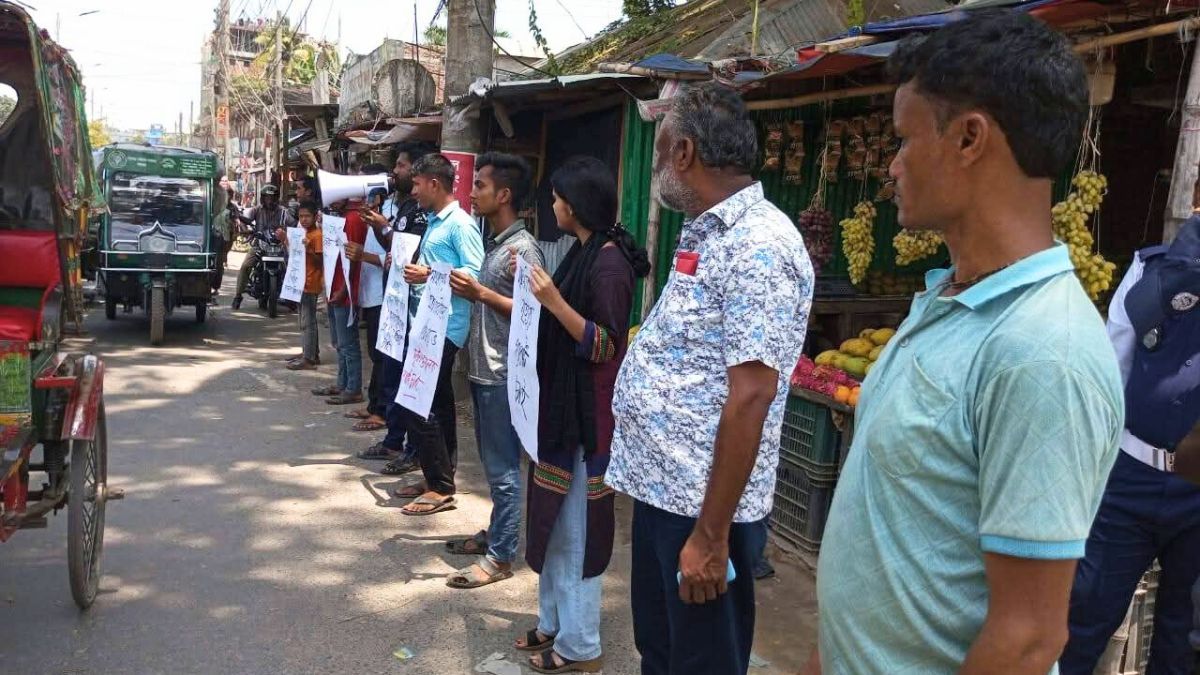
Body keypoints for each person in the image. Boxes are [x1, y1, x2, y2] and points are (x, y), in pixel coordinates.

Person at [808, 13, 1124, 673]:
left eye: (903, 139)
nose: (891, 167)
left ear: (969, 138)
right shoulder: (947, 299)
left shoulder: (1043, 350)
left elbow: (1027, 639)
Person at [605, 82, 813, 675]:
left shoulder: (760, 245)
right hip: (663, 493)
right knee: (662, 651)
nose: (658, 166)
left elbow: (752, 394)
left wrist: (711, 535)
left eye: (661, 148)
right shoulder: (707, 233)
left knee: (704, 663)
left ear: (685, 153)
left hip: (704, 509)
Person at [510, 156, 646, 674]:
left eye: (558, 196)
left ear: (577, 204)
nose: (552, 204)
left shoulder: (608, 264)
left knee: (577, 535)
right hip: (561, 416)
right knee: (553, 522)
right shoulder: (582, 251)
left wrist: (552, 301)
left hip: (587, 423)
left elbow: (604, 346)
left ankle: (581, 645)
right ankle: (552, 622)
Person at [1061, 213, 1200, 675]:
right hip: (1129, 478)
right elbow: (1111, 372)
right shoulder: (1151, 272)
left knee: (1181, 638)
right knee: (1086, 615)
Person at [442, 152, 545, 588]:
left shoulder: (523, 250)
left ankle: (501, 555)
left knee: (504, 470)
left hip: (504, 376)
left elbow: (535, 310)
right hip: (484, 371)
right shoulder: (496, 243)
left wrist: (481, 293)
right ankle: (496, 535)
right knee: (491, 465)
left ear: (503, 195)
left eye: (480, 184)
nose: (472, 191)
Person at [391, 154, 484, 516]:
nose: (412, 191)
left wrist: (427, 274)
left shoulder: (460, 225)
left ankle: (440, 486)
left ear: (434, 183)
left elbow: (474, 275)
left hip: (444, 328)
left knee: (418, 403)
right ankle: (439, 476)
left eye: (416, 184)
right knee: (440, 405)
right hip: (426, 325)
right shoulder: (435, 221)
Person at [357, 144, 432, 472]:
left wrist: (385, 229)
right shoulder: (405, 208)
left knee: (405, 381)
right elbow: (396, 246)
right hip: (395, 304)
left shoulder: (421, 213)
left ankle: (408, 448)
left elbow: (413, 255)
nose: (397, 172)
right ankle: (394, 441)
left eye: (402, 166)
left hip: (409, 310)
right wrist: (381, 227)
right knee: (391, 377)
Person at [344, 164, 392, 433]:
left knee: (381, 354)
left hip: (383, 295)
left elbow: (396, 257)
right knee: (375, 352)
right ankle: (375, 405)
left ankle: (382, 410)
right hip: (371, 292)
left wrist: (364, 256)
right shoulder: (377, 214)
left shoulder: (392, 216)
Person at [310, 195, 368, 406]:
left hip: (344, 291)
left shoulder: (352, 219)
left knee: (347, 342)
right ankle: (343, 383)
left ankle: (352, 387)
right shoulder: (344, 217)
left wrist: (344, 290)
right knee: (339, 342)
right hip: (336, 287)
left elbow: (352, 256)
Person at [232, 184, 295, 309]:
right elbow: (246, 219)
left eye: (272, 197)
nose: (269, 200)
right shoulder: (257, 210)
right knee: (245, 266)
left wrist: (290, 232)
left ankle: (291, 297)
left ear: (277, 198)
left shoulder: (283, 212)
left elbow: (293, 224)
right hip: (259, 245)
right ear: (263, 198)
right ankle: (238, 296)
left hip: (278, 246)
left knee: (291, 267)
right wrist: (247, 230)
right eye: (267, 197)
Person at [284, 200, 323, 371]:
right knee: (303, 320)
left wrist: (308, 249)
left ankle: (310, 358)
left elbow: (321, 261)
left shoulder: (317, 236)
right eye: (301, 216)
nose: (304, 219)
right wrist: (284, 239)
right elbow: (293, 253)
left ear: (315, 217)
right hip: (300, 281)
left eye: (307, 216)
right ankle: (310, 352)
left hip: (311, 282)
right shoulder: (302, 233)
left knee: (308, 321)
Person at [210, 186, 236, 295]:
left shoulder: (232, 208)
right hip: (211, 237)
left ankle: (215, 287)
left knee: (218, 264)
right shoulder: (212, 205)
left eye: (228, 195)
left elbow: (233, 226)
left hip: (223, 240)